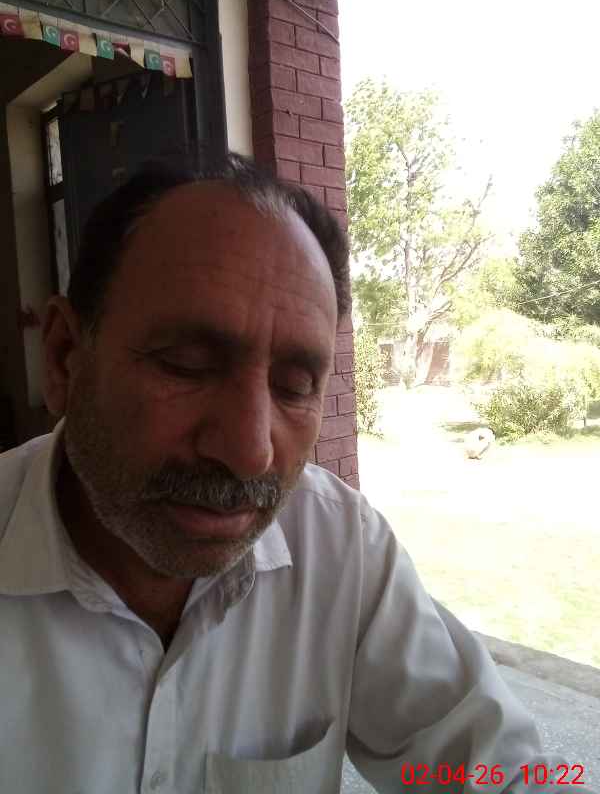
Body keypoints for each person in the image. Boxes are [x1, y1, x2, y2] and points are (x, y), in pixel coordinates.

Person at [0, 155, 593, 794]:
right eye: (186, 364)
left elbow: (490, 768)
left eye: (293, 386)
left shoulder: (339, 547)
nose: (251, 451)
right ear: (63, 358)